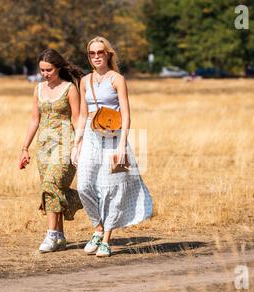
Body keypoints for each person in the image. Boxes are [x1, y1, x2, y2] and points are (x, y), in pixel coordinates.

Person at [71, 36, 153, 257]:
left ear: (108, 54)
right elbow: (81, 115)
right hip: (90, 134)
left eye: (100, 52)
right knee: (84, 185)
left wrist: (123, 144)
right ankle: (97, 228)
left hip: (114, 135)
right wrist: (76, 143)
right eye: (92, 53)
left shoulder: (117, 79)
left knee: (111, 188)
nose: (96, 56)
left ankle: (106, 237)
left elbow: (126, 113)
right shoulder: (85, 81)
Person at [19, 49, 84, 253]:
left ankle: (50, 235)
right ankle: (61, 236)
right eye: (42, 70)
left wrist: (79, 145)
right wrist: (24, 148)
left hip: (66, 143)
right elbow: (34, 120)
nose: (45, 73)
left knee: (50, 184)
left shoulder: (69, 89)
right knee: (54, 190)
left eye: (49, 69)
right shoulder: (38, 89)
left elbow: (77, 118)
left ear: (58, 68)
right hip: (44, 146)